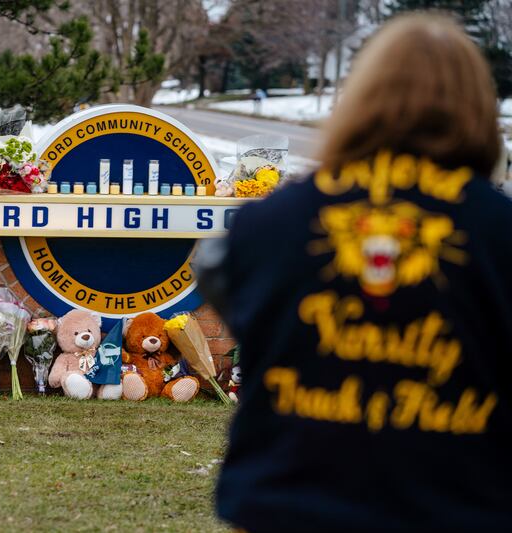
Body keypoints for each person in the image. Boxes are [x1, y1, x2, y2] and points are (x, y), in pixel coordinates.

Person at [199, 14, 511, 533]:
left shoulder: (267, 225)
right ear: (477, 109)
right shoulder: (499, 231)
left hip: (289, 507)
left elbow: (225, 287)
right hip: (457, 508)